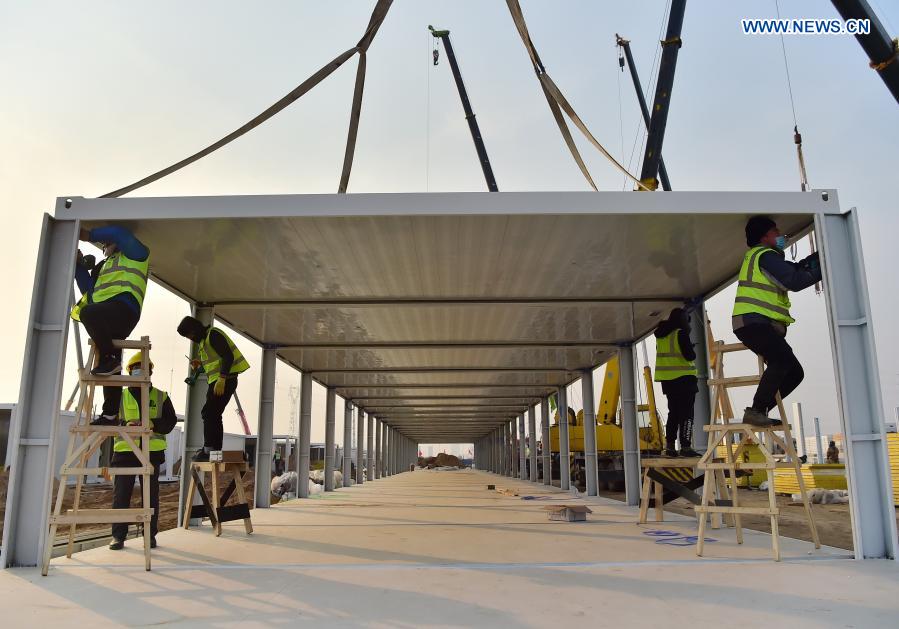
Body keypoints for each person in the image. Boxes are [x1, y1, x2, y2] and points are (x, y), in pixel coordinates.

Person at [733, 216, 821, 426]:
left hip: (753, 323)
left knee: (794, 373)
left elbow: (794, 270)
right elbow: (794, 280)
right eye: (776, 231)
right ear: (765, 237)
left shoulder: (765, 257)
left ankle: (759, 410)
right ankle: (755, 410)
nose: (780, 234)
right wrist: (823, 267)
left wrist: (815, 260)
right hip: (754, 322)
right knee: (781, 361)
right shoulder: (766, 255)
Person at [72, 225, 150, 426]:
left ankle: (108, 358)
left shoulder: (136, 254)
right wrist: (79, 266)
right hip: (107, 314)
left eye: (106, 241)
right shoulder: (102, 266)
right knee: (111, 366)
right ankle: (110, 415)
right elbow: (90, 292)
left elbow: (120, 233)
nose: (104, 245)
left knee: (88, 313)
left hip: (125, 309)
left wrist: (89, 235)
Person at [109, 352, 177, 550]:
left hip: (151, 454)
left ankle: (150, 535)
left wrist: (151, 424)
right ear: (129, 371)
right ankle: (118, 536)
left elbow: (170, 422)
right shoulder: (119, 396)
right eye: (136, 367)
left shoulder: (160, 396)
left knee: (150, 496)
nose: (140, 370)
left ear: (151, 372)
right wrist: (125, 423)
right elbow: (109, 420)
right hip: (125, 453)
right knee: (121, 496)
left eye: (144, 367)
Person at [176, 316, 250, 461]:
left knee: (209, 413)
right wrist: (201, 366)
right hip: (218, 381)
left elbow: (228, 356)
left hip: (224, 381)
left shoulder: (213, 335)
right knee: (213, 414)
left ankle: (209, 450)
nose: (190, 338)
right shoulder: (204, 342)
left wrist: (222, 378)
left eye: (189, 335)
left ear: (194, 330)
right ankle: (214, 449)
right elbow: (214, 363)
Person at [654, 307, 700, 458]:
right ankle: (686, 447)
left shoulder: (661, 336)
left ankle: (670, 447)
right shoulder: (681, 333)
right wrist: (691, 348)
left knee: (673, 413)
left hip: (668, 382)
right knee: (687, 413)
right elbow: (689, 356)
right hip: (685, 380)